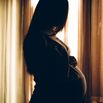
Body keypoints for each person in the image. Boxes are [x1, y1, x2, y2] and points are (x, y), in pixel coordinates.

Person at [23, 0, 87, 103]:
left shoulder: (49, 33)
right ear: (50, 11)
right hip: (51, 97)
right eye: (61, 13)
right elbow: (39, 69)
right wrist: (63, 63)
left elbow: (54, 60)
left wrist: (68, 61)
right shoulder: (36, 38)